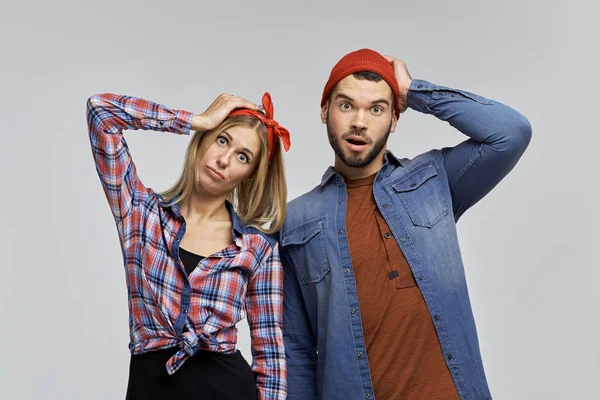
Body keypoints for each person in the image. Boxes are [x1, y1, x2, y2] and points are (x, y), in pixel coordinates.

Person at [280, 49, 532, 399]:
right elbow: (295, 351)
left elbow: (511, 132)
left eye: (377, 109)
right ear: (325, 111)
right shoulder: (294, 222)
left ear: (395, 119)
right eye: (346, 105)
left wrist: (414, 91)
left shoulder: (434, 179)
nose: (359, 122)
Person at [86, 91, 290, 399]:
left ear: (249, 175)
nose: (224, 160)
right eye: (222, 140)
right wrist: (196, 120)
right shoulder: (141, 213)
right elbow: (101, 112)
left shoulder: (257, 249)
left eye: (243, 157)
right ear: (204, 139)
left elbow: (271, 355)